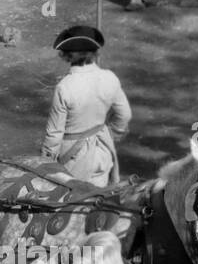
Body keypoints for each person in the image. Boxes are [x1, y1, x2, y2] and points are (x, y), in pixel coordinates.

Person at [41, 26, 131, 188]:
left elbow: (54, 134)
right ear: (95, 53)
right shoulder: (109, 78)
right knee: (99, 198)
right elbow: (124, 115)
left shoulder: (65, 87)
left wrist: (45, 163)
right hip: (103, 150)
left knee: (70, 203)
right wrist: (113, 133)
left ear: (68, 55)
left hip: (74, 160)